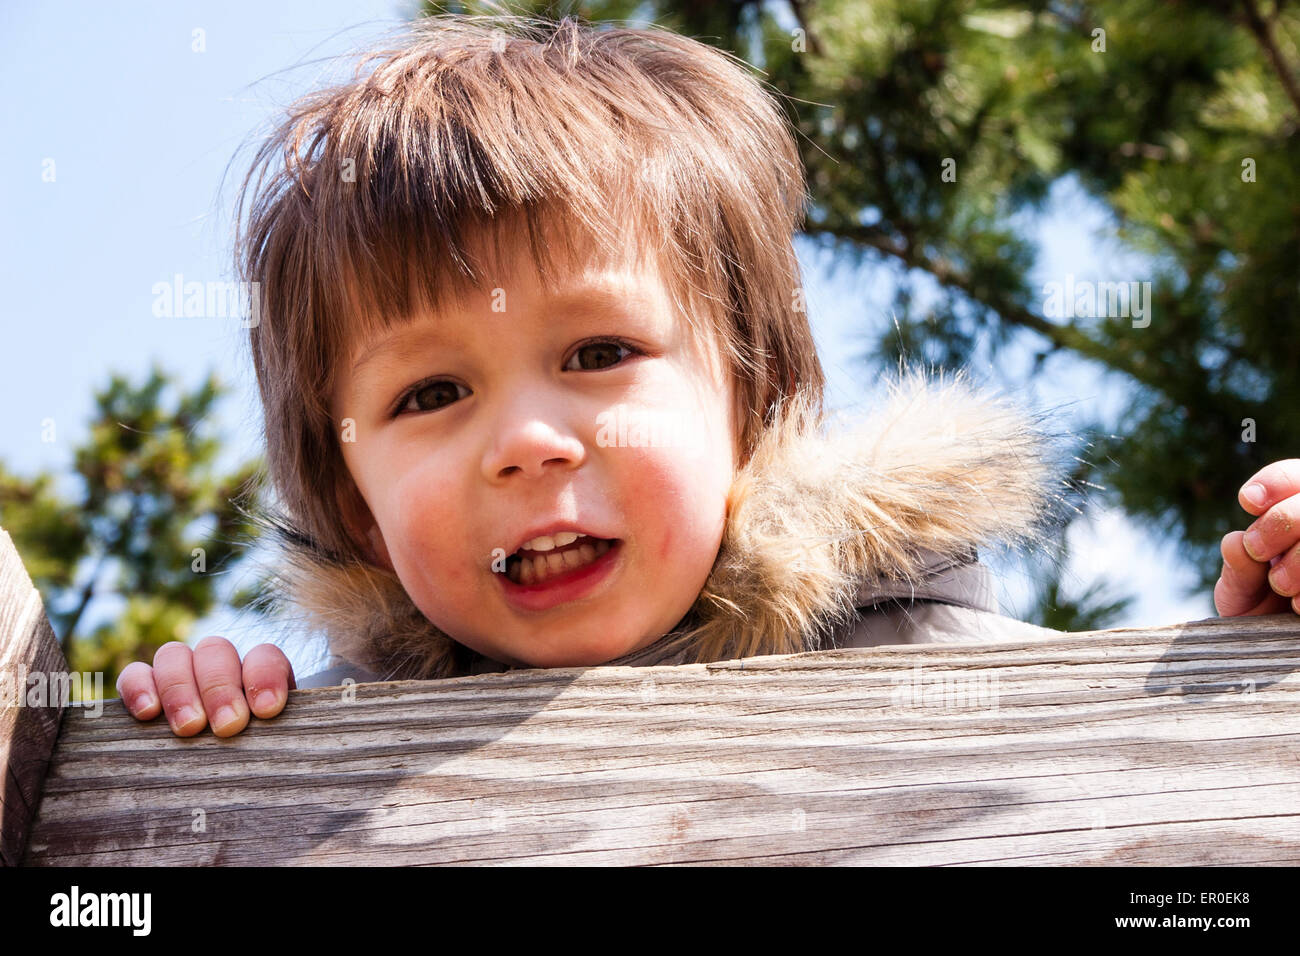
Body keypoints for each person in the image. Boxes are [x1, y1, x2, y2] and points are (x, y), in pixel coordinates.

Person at [115, 13, 1299, 738]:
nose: (527, 439)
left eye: (598, 353)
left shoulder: (924, 647)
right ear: (353, 509)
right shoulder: (343, 741)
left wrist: (1247, 643)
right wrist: (221, 724)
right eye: (429, 394)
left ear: (753, 406)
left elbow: (1129, 785)